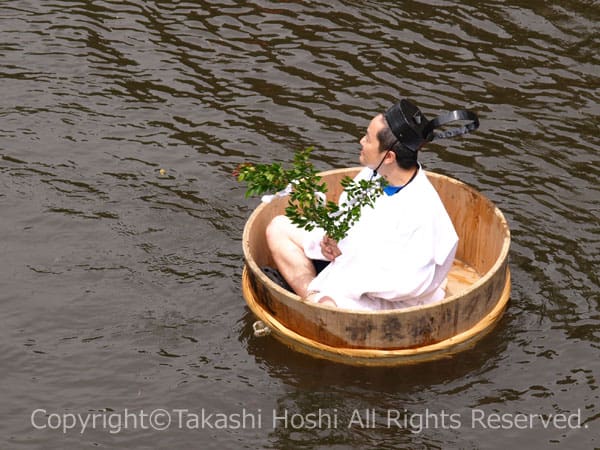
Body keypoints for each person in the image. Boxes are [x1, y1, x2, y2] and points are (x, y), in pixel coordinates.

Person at [265, 99, 465, 310]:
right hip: (347, 261)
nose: (361, 141)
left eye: (368, 139)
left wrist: (349, 268)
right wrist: (332, 239)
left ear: (389, 157)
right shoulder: (373, 172)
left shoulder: (422, 211)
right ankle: (312, 294)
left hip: (384, 295)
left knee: (331, 306)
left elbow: (408, 284)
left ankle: (318, 301)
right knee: (278, 228)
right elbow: (346, 214)